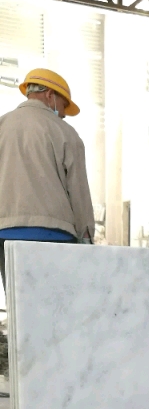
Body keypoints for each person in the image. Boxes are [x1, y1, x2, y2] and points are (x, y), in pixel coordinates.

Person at [0, 68, 94, 285]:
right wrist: (86, 237)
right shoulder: (66, 133)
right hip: (54, 235)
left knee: (18, 300)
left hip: (4, 234)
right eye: (63, 106)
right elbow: (78, 191)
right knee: (56, 300)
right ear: (50, 95)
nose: (63, 114)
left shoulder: (2, 125)